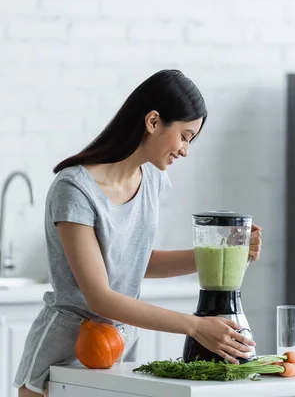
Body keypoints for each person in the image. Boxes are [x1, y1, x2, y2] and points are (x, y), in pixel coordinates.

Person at [13, 69, 262, 397]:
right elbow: (100, 296)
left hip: (119, 352)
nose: (186, 150)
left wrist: (228, 256)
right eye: (185, 136)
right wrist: (195, 327)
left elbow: (136, 262)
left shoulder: (153, 180)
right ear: (154, 121)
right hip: (63, 354)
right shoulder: (74, 189)